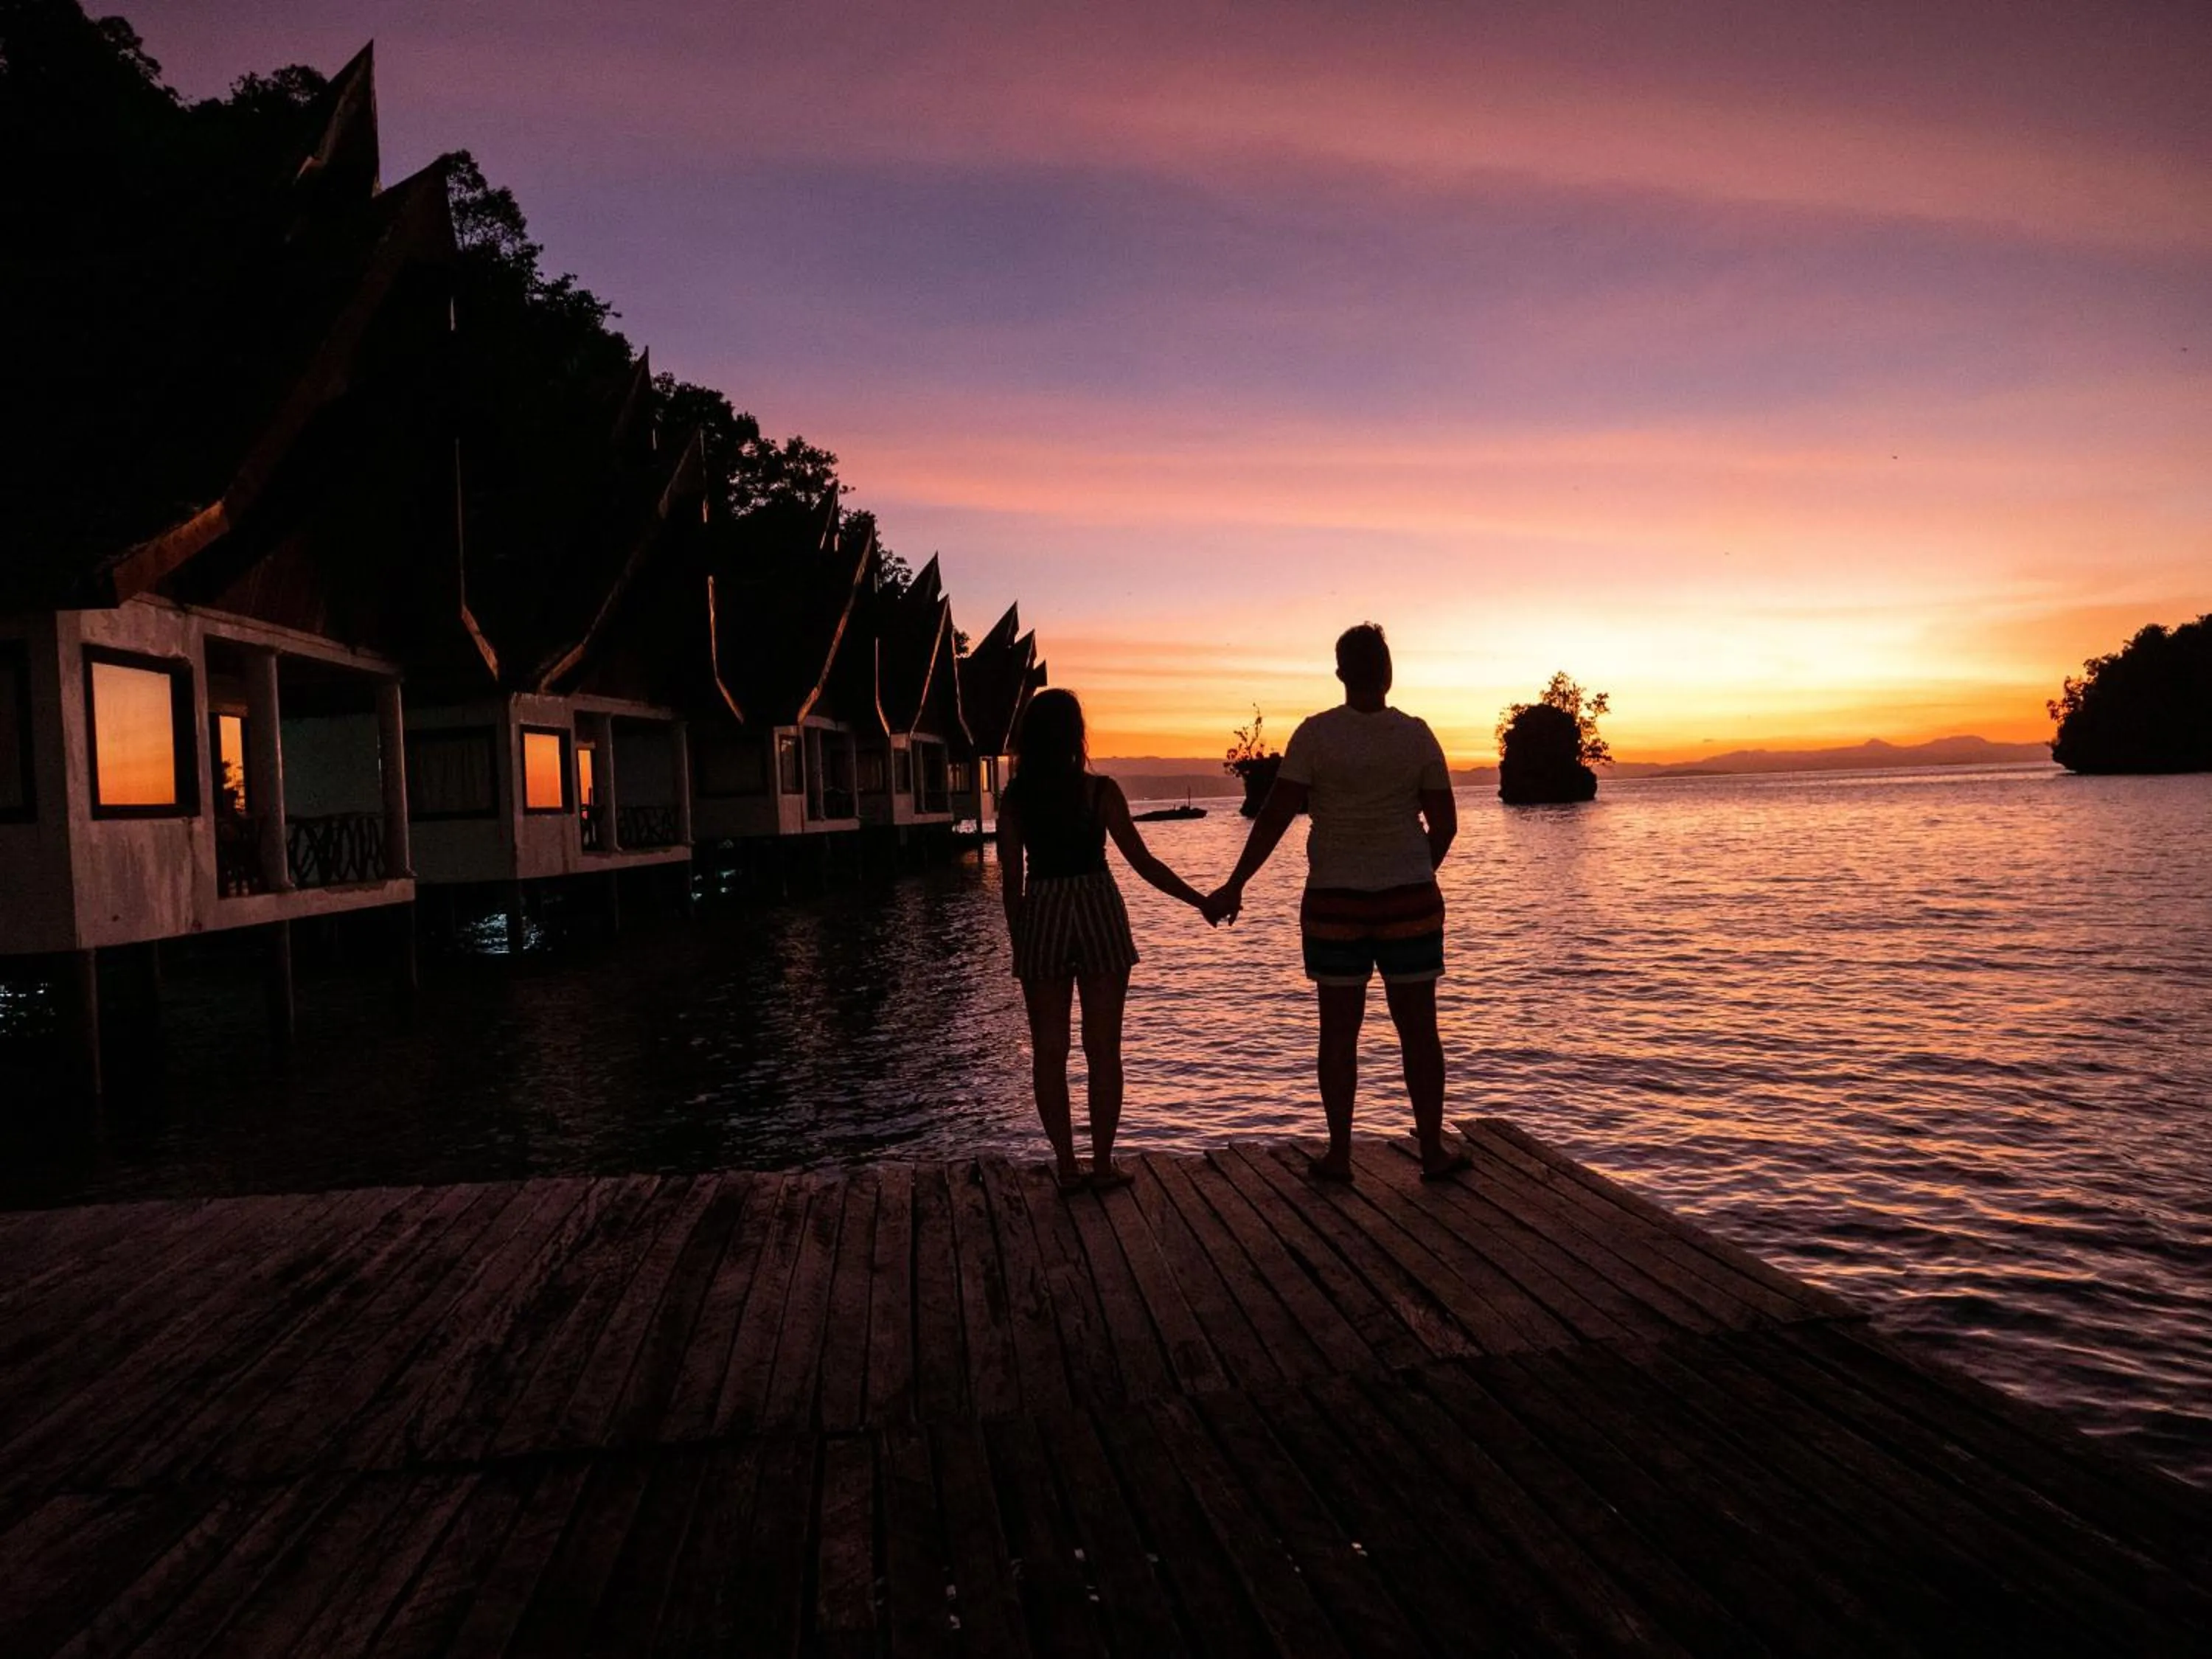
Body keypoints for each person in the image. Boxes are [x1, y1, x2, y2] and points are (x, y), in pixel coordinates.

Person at [1205, 623, 1470, 1182]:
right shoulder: (1417, 736)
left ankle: (1340, 1156)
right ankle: (1431, 1152)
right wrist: (1415, 871)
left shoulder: (1315, 736)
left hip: (1333, 903)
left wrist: (1236, 884)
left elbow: (1275, 816)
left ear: (1342, 673)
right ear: (1389, 671)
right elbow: (1444, 825)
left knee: (1338, 1032)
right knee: (1419, 1029)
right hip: (1410, 899)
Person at [999, 688, 1212, 1191]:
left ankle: (1068, 1168)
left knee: (1049, 1051)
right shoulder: (1100, 792)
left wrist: (1022, 943)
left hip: (1043, 913)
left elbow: (1011, 883)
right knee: (1103, 1049)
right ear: (1076, 736)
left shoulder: (1017, 799)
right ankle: (1100, 1164)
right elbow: (1143, 865)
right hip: (1098, 911)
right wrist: (1201, 900)